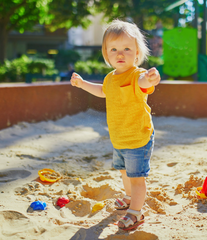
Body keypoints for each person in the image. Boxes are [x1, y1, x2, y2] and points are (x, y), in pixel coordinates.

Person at [70, 19, 161, 231]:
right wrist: (82, 84)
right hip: (119, 138)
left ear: (137, 53)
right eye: (114, 49)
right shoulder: (110, 79)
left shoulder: (137, 75)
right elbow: (103, 91)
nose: (120, 54)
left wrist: (152, 78)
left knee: (137, 178)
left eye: (127, 49)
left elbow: (145, 84)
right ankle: (129, 198)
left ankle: (136, 214)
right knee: (124, 172)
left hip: (138, 138)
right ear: (106, 54)